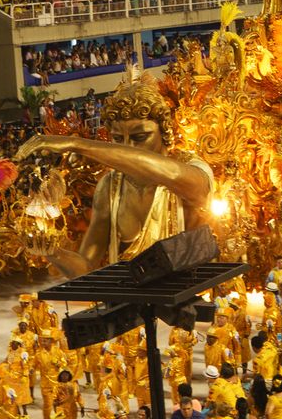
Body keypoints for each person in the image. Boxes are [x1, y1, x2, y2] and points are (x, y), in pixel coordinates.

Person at [16, 74, 213, 276]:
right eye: (118, 139)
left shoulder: (191, 169)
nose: (128, 147)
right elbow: (87, 269)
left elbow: (173, 175)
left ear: (165, 132)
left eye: (140, 137)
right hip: (128, 299)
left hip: (182, 300)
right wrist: (53, 252)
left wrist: (77, 144)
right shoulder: (110, 186)